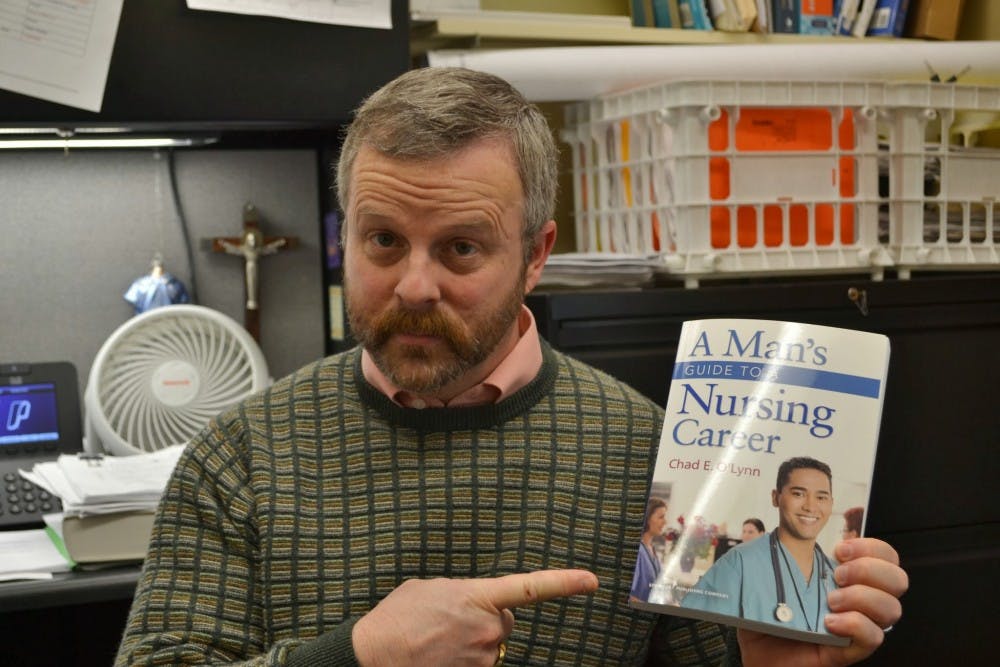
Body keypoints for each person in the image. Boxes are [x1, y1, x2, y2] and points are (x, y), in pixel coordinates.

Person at [115, 67, 907, 666]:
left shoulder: (662, 461)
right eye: (383, 240)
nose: (414, 285)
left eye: (461, 246)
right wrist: (354, 656)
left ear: (535, 256)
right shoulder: (240, 455)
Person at [681, 458, 846, 636]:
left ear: (831, 503)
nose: (810, 506)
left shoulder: (839, 575)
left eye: (821, 497)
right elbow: (691, 634)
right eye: (798, 494)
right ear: (776, 497)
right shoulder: (740, 562)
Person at [631, 496, 668, 602]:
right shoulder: (638, 552)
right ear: (647, 518)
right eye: (661, 517)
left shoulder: (652, 549)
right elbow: (627, 596)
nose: (665, 522)